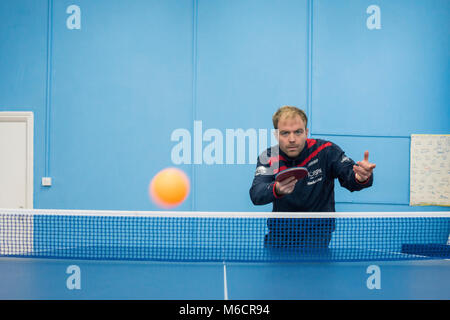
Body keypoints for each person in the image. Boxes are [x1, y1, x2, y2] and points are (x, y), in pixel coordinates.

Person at [249, 106, 376, 248]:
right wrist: (276, 189)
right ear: (276, 135)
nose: (292, 139)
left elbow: (350, 177)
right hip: (281, 234)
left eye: (298, 132)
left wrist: (361, 177)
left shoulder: (326, 150)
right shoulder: (269, 156)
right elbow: (256, 193)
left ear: (306, 132)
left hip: (317, 234)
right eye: (285, 133)